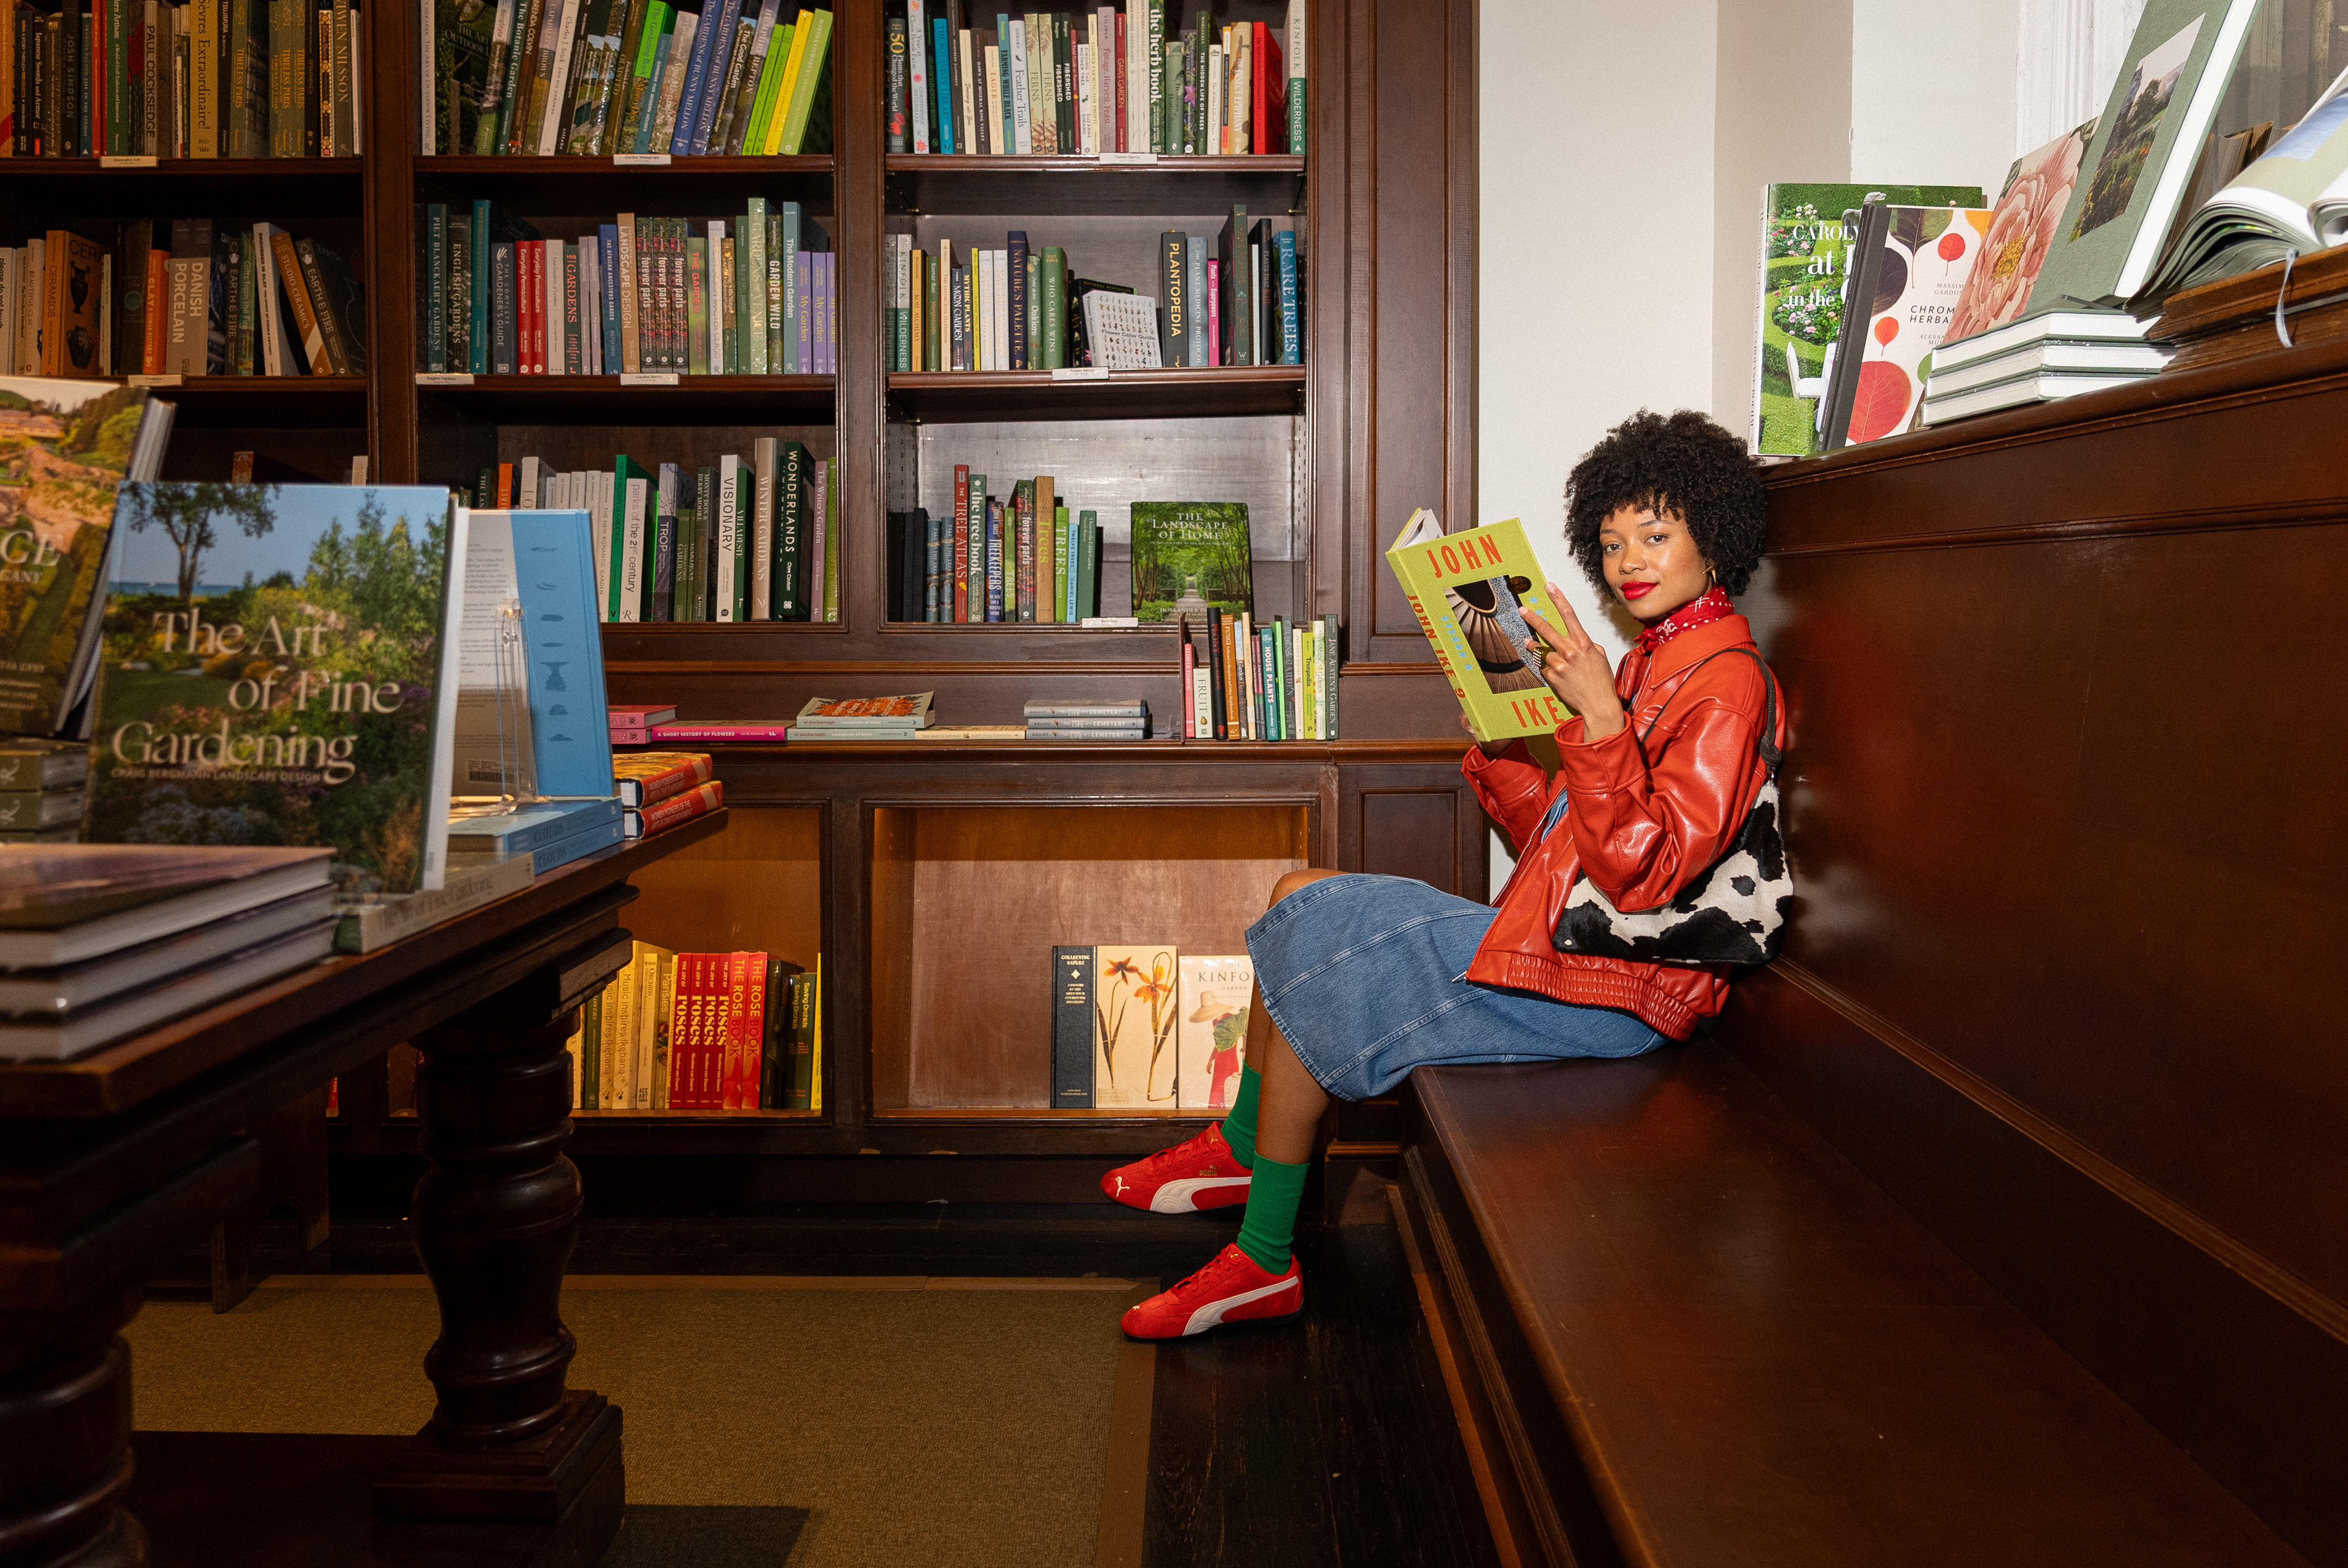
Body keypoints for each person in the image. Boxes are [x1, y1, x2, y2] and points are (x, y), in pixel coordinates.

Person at [1101, 408, 1786, 1339]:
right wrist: (1508, 744)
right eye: (1614, 539)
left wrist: (1597, 723)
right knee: (1297, 892)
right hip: (1577, 947)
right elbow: (1566, 836)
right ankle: (1238, 1149)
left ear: (1716, 536)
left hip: (1623, 993)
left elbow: (1644, 873)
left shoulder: (1727, 679)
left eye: (1656, 536)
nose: (1631, 560)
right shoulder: (1654, 659)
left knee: (1324, 929)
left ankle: (1263, 1260)